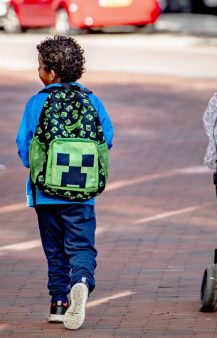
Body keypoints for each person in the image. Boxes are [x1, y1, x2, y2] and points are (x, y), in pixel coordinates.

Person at [15, 36, 114, 330]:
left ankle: (58, 303)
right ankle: (81, 280)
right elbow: (106, 139)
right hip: (83, 193)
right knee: (81, 245)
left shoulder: (37, 102)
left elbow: (25, 144)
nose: (38, 72)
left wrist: (38, 169)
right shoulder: (92, 100)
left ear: (52, 74)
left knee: (54, 249)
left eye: (41, 67)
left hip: (45, 193)